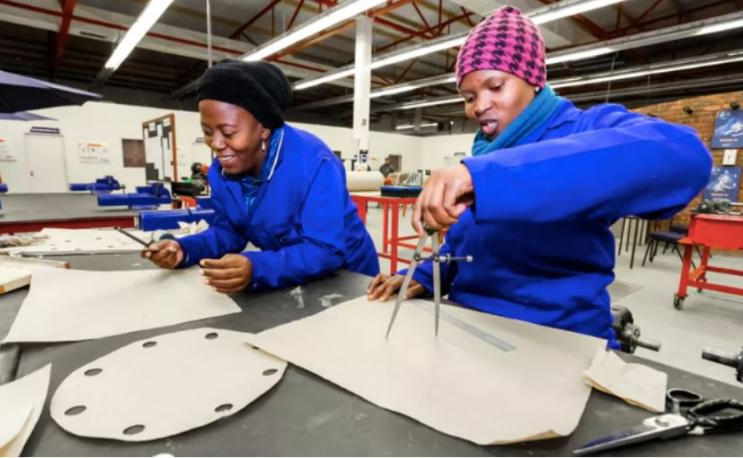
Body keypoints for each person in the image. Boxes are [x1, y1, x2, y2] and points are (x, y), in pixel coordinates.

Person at [367, 6, 711, 348]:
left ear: (533, 80)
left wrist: (488, 178)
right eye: (469, 97)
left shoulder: (582, 130)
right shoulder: (488, 150)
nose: (478, 106)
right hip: (472, 329)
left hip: (557, 339)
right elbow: (467, 242)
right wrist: (428, 274)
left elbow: (685, 158)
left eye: (495, 86)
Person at [145, 60, 379, 293]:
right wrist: (184, 249)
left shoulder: (315, 164)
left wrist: (258, 267)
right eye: (207, 132)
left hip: (348, 276)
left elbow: (326, 249)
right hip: (291, 274)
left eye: (228, 132)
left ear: (264, 128)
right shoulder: (221, 172)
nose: (215, 144)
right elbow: (230, 232)